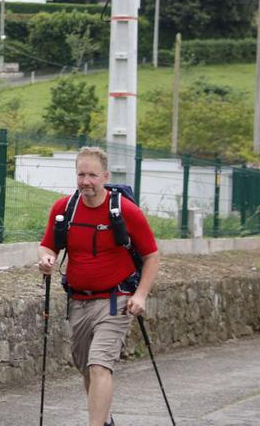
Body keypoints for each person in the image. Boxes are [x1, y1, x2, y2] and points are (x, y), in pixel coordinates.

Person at [37, 147, 160, 426]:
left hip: (118, 297)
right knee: (85, 367)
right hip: (79, 300)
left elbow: (152, 255)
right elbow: (48, 245)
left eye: (92, 175)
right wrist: (46, 258)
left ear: (105, 176)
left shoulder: (125, 210)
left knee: (99, 363)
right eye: (81, 174)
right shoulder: (64, 209)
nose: (86, 181)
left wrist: (140, 294)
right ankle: (104, 420)